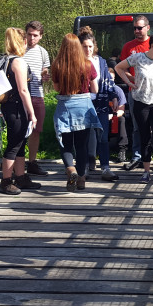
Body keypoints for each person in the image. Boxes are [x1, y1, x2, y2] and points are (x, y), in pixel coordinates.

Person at [115, 29, 153, 184]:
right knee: (144, 136)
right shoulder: (138, 57)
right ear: (152, 46)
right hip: (141, 102)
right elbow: (119, 67)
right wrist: (129, 82)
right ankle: (146, 171)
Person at [51, 33, 100, 191]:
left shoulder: (57, 65)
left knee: (66, 144)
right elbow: (95, 89)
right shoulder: (87, 64)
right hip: (83, 106)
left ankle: (70, 169)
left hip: (65, 106)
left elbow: (57, 89)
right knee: (81, 145)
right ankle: (81, 179)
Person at [0, 28, 41, 194]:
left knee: (20, 142)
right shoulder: (19, 62)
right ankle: (6, 180)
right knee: (15, 144)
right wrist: (32, 113)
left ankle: (21, 176)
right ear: (23, 42)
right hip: (17, 108)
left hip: (8, 106)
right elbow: (24, 90)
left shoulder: (6, 60)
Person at [78, 26, 120, 182]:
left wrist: (114, 96)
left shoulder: (101, 61)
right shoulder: (77, 62)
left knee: (102, 137)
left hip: (101, 103)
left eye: (90, 46)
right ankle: (83, 169)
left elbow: (109, 81)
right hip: (83, 104)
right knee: (83, 138)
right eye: (84, 46)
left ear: (94, 46)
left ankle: (105, 168)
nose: (88, 50)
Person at [22, 20, 51, 177]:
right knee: (19, 129)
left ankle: (32, 162)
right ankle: (17, 163)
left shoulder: (42, 52)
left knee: (36, 130)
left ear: (40, 36)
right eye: (29, 34)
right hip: (20, 95)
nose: (31, 38)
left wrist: (45, 76)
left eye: (35, 35)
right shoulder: (19, 49)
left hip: (37, 94)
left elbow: (44, 70)